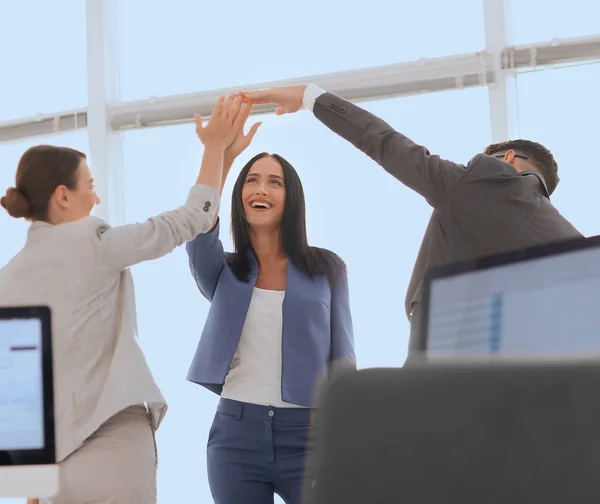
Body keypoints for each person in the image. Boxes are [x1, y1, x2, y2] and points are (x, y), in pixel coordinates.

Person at [0, 93, 246, 504]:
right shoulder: (94, 241)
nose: (96, 199)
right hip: (113, 446)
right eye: (90, 187)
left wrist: (31, 488)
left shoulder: (8, 277)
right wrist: (215, 149)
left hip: (50, 469)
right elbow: (190, 219)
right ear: (63, 195)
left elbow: (15, 391)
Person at [240, 84, 582, 357]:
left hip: (443, 383)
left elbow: (386, 143)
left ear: (506, 158)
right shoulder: (572, 245)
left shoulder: (483, 183)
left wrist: (309, 96)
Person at [185, 103, 355, 504]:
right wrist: (219, 154)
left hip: (311, 436)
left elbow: (343, 356)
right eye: (252, 180)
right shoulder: (223, 270)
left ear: (290, 197)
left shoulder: (328, 268)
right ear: (239, 195)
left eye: (274, 182)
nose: (261, 189)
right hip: (236, 435)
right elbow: (198, 225)